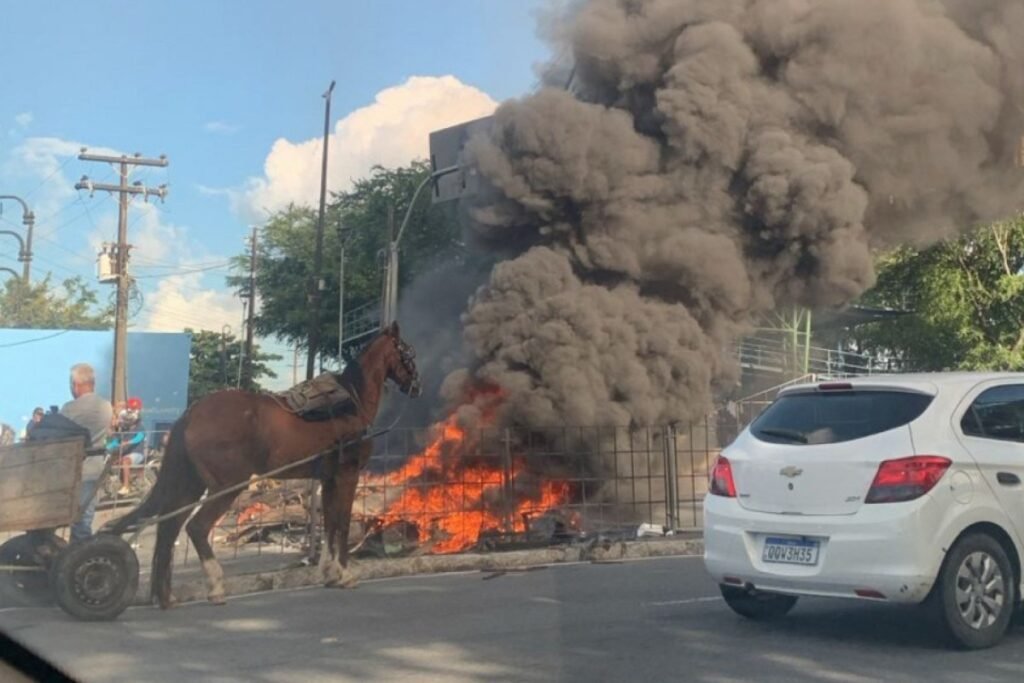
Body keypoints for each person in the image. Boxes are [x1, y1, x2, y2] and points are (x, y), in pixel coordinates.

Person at [60, 363, 113, 542]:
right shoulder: (106, 406)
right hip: (96, 468)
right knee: (85, 516)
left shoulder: (68, 409)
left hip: (74, 470)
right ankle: (80, 550)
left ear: (76, 385)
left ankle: (78, 553)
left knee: (78, 521)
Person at [108, 397, 146, 497]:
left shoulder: (140, 427)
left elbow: (139, 437)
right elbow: (115, 441)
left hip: (137, 453)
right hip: (125, 453)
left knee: (125, 461)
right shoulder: (124, 428)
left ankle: (126, 487)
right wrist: (109, 444)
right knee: (110, 461)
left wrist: (128, 442)